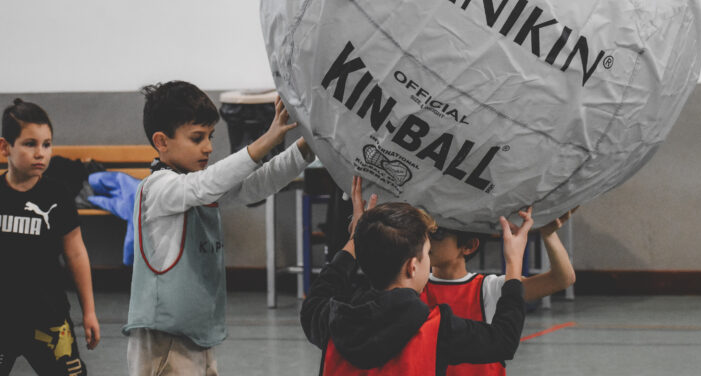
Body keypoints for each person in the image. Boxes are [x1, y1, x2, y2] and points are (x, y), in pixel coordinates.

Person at [123, 81, 314, 375]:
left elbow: (257, 184)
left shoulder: (197, 187)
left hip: (196, 332)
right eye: (197, 138)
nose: (209, 147)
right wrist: (267, 139)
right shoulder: (158, 189)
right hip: (164, 338)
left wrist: (308, 146)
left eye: (210, 136)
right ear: (161, 141)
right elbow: (208, 184)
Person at [301, 176, 530, 375]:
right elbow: (503, 341)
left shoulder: (331, 320)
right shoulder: (436, 328)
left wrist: (354, 240)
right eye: (427, 253)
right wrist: (514, 262)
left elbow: (317, 296)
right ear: (412, 267)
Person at [0, 99, 100, 376]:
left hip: (49, 318)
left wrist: (89, 312)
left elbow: (76, 254)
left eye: (46, 144)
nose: (40, 153)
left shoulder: (57, 195)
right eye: (30, 144)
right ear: (5, 147)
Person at [421, 211, 576, 376]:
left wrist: (549, 234)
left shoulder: (488, 287)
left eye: (437, 234)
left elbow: (562, 279)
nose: (427, 240)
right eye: (424, 233)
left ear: (469, 246)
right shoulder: (412, 287)